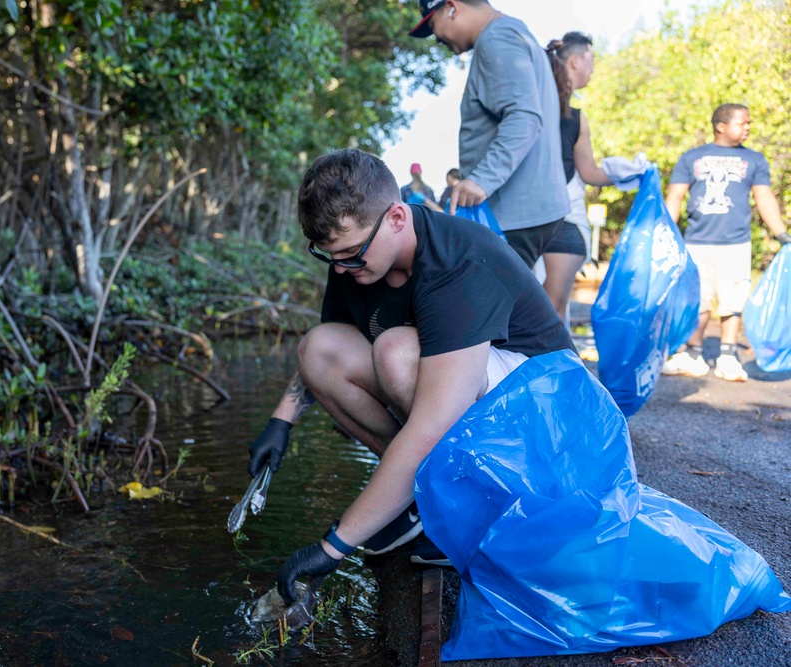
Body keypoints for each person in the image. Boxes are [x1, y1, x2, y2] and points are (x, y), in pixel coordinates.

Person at [244, 149, 576, 603]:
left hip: (552, 416)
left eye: (350, 254)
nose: (342, 269)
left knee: (397, 351)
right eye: (330, 257)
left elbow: (431, 423)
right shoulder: (357, 259)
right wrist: (281, 421)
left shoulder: (457, 259)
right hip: (472, 401)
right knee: (319, 348)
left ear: (397, 217)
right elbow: (326, 352)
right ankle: (428, 501)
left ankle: (463, 507)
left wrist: (333, 546)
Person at [410, 0, 570, 269]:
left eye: (433, 25)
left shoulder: (496, 38)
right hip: (529, 210)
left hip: (514, 216)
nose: (436, 38)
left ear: (451, 7)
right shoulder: (514, 32)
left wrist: (481, 181)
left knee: (491, 307)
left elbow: (524, 117)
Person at [662, 104, 791, 382]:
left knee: (733, 300)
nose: (748, 128)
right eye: (742, 123)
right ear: (721, 125)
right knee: (698, 299)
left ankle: (728, 356)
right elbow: (675, 197)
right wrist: (666, 233)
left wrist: (782, 234)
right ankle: (693, 353)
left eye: (748, 123)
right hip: (696, 242)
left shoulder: (754, 160)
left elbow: (764, 198)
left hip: (735, 243)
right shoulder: (692, 157)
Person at [541, 32, 648, 323]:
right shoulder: (532, 105)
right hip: (536, 218)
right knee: (547, 309)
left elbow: (588, 172)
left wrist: (629, 173)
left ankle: (556, 366)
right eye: (591, 61)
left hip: (564, 219)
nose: (593, 69)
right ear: (575, 62)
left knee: (552, 310)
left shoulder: (576, 118)